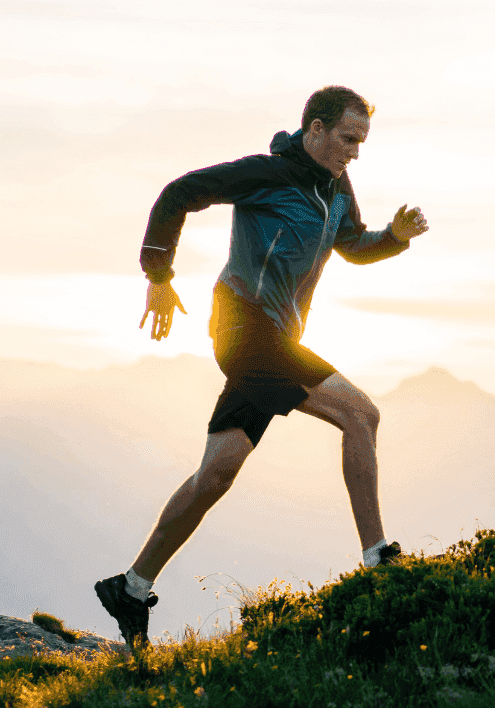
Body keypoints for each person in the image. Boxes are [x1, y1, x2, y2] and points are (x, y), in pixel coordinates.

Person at [94, 85, 429, 646]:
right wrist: (158, 275)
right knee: (361, 414)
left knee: (216, 474)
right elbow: (179, 193)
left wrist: (394, 237)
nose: (354, 151)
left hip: (277, 337)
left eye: (361, 142)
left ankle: (129, 587)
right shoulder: (265, 174)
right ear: (314, 129)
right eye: (347, 138)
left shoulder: (336, 188)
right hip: (245, 330)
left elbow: (351, 244)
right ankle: (379, 561)